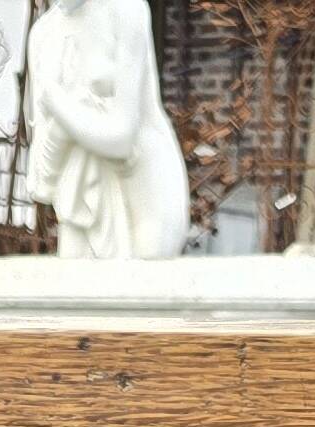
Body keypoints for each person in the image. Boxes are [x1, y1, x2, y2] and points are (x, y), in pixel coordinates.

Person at [20, 0, 190, 260]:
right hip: (79, 190)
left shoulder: (126, 10)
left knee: (146, 281)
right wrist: (68, 125)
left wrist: (59, 106)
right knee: (77, 286)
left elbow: (121, 140)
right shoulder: (42, 35)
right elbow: (42, 180)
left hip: (142, 188)